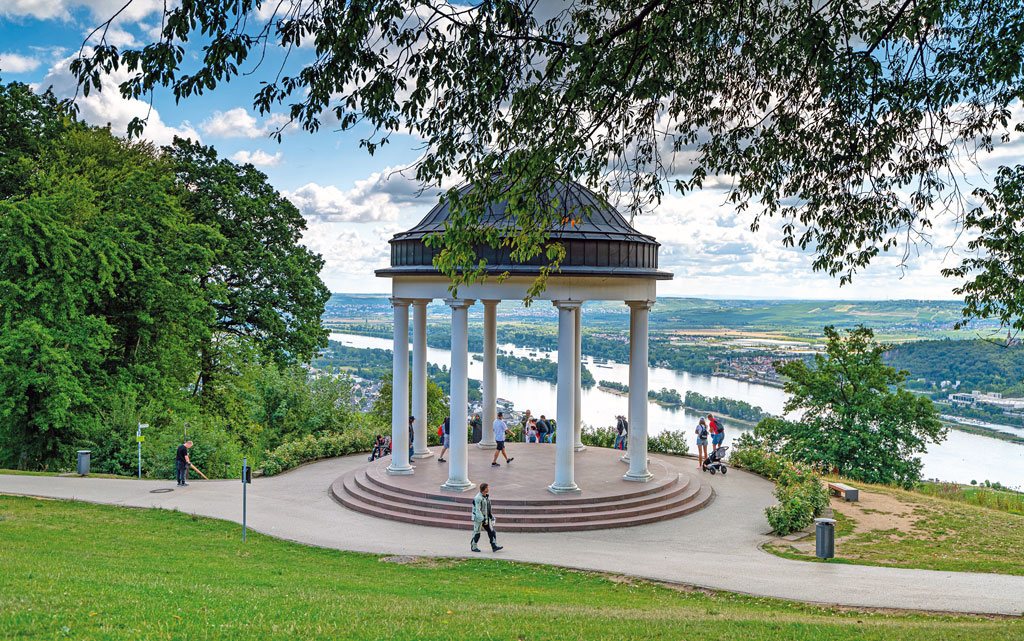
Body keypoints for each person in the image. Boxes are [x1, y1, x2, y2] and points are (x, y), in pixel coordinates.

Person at [471, 482, 502, 552]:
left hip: (486, 518)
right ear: (484, 489)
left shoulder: (486, 497)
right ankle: (473, 546)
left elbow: (487, 508)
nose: (488, 489)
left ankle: (494, 546)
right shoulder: (478, 498)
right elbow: (477, 511)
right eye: (487, 488)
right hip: (479, 519)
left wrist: (491, 516)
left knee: (492, 532)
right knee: (477, 533)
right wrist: (483, 520)